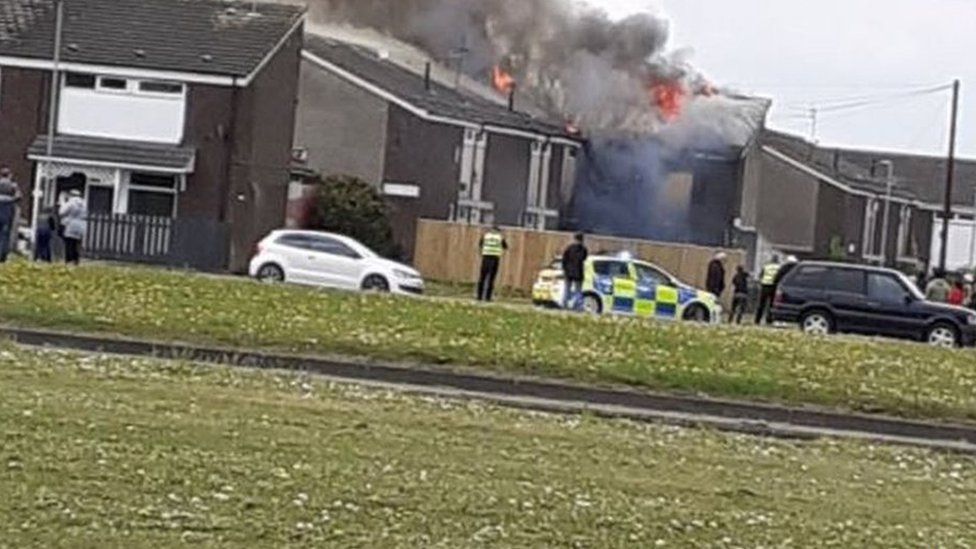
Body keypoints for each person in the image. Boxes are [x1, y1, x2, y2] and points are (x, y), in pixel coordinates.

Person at [476, 224, 507, 302]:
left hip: (485, 258)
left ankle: (479, 296)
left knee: (482, 277)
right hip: (494, 258)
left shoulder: (485, 236)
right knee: (491, 278)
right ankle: (488, 297)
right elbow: (505, 247)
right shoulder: (500, 237)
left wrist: (481, 253)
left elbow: (480, 245)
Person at [59, 189, 87, 265]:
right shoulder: (84, 203)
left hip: (71, 224)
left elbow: (62, 212)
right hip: (81, 225)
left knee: (69, 243)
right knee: (76, 243)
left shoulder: (71, 202)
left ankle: (69, 260)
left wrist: (62, 203)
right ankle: (76, 260)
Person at [561, 233, 588, 310]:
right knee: (578, 290)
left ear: (575, 239)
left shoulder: (569, 248)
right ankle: (577, 306)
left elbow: (564, 260)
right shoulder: (583, 249)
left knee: (566, 289)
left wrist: (565, 269)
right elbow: (584, 258)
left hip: (568, 272)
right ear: (582, 240)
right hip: (578, 273)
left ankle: (564, 304)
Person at [0, 167, 21, 263]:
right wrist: (11, 199)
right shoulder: (13, 186)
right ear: (9, 175)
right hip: (7, 211)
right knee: (5, 234)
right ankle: (2, 256)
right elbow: (18, 196)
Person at [754, 255, 782, 325]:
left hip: (764, 286)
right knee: (771, 305)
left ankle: (757, 320)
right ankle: (769, 320)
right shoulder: (779, 267)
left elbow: (761, 275)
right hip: (773, 287)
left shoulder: (766, 266)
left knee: (761, 304)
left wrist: (761, 282)